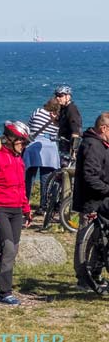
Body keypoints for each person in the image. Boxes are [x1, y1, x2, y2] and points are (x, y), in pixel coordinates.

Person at [0, 121, 32, 305]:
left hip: (16, 211)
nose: (24, 146)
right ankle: (5, 292)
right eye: (22, 142)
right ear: (11, 140)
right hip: (1, 210)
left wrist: (27, 210)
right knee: (8, 249)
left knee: (12, 250)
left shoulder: (19, 160)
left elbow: (21, 188)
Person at [71, 112, 109, 289]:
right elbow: (90, 176)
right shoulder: (93, 145)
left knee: (101, 240)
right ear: (104, 128)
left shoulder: (102, 144)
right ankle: (84, 278)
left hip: (102, 200)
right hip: (91, 200)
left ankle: (95, 273)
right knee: (87, 242)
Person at [23, 97, 60, 215]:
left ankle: (24, 203)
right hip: (50, 150)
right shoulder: (57, 118)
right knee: (46, 179)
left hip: (33, 147)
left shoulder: (38, 112)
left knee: (29, 178)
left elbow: (28, 128)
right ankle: (43, 206)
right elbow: (58, 133)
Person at [54, 85, 82, 159]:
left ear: (68, 97)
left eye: (60, 96)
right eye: (56, 95)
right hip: (63, 147)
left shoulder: (71, 109)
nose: (57, 98)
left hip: (69, 151)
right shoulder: (63, 109)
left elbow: (76, 132)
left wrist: (73, 152)